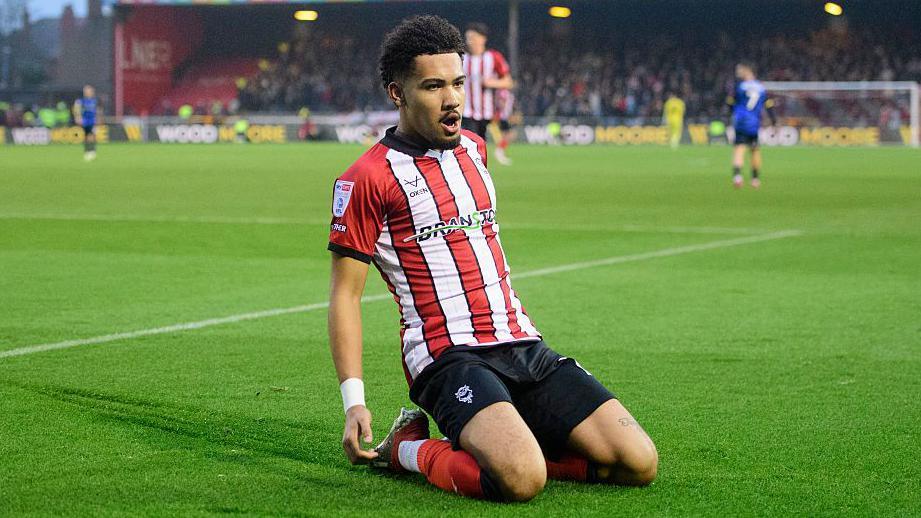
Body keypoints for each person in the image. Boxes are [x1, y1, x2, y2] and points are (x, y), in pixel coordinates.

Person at [327, 15, 657, 503]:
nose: (453, 99)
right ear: (398, 94)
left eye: (458, 83)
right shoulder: (367, 178)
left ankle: (512, 443)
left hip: (520, 341)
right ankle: (406, 449)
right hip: (447, 356)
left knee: (637, 462)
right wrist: (353, 401)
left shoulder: (475, 150)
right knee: (521, 480)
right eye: (434, 86)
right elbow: (345, 296)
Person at [461, 22, 514, 166]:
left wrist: (491, 83)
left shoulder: (493, 57)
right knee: (470, 146)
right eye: (468, 38)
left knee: (482, 145)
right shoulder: (461, 58)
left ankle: (487, 165)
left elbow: (508, 82)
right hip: (467, 112)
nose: (469, 41)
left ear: (483, 38)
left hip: (488, 112)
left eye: (473, 37)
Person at [727, 63, 776, 188]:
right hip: (754, 123)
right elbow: (769, 105)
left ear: (748, 71)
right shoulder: (761, 87)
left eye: (740, 70)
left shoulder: (740, 86)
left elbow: (730, 102)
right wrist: (773, 121)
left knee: (739, 149)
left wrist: (730, 114)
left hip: (741, 121)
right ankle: (755, 179)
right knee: (755, 150)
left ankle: (737, 177)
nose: (738, 73)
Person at [73, 85, 98, 161]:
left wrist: (98, 118)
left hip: (93, 120)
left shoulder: (95, 101)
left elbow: (98, 110)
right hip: (85, 120)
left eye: (89, 91)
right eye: (86, 91)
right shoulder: (81, 101)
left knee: (92, 135)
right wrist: (78, 117)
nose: (88, 93)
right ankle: (88, 150)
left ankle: (92, 150)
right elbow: (76, 109)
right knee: (87, 136)